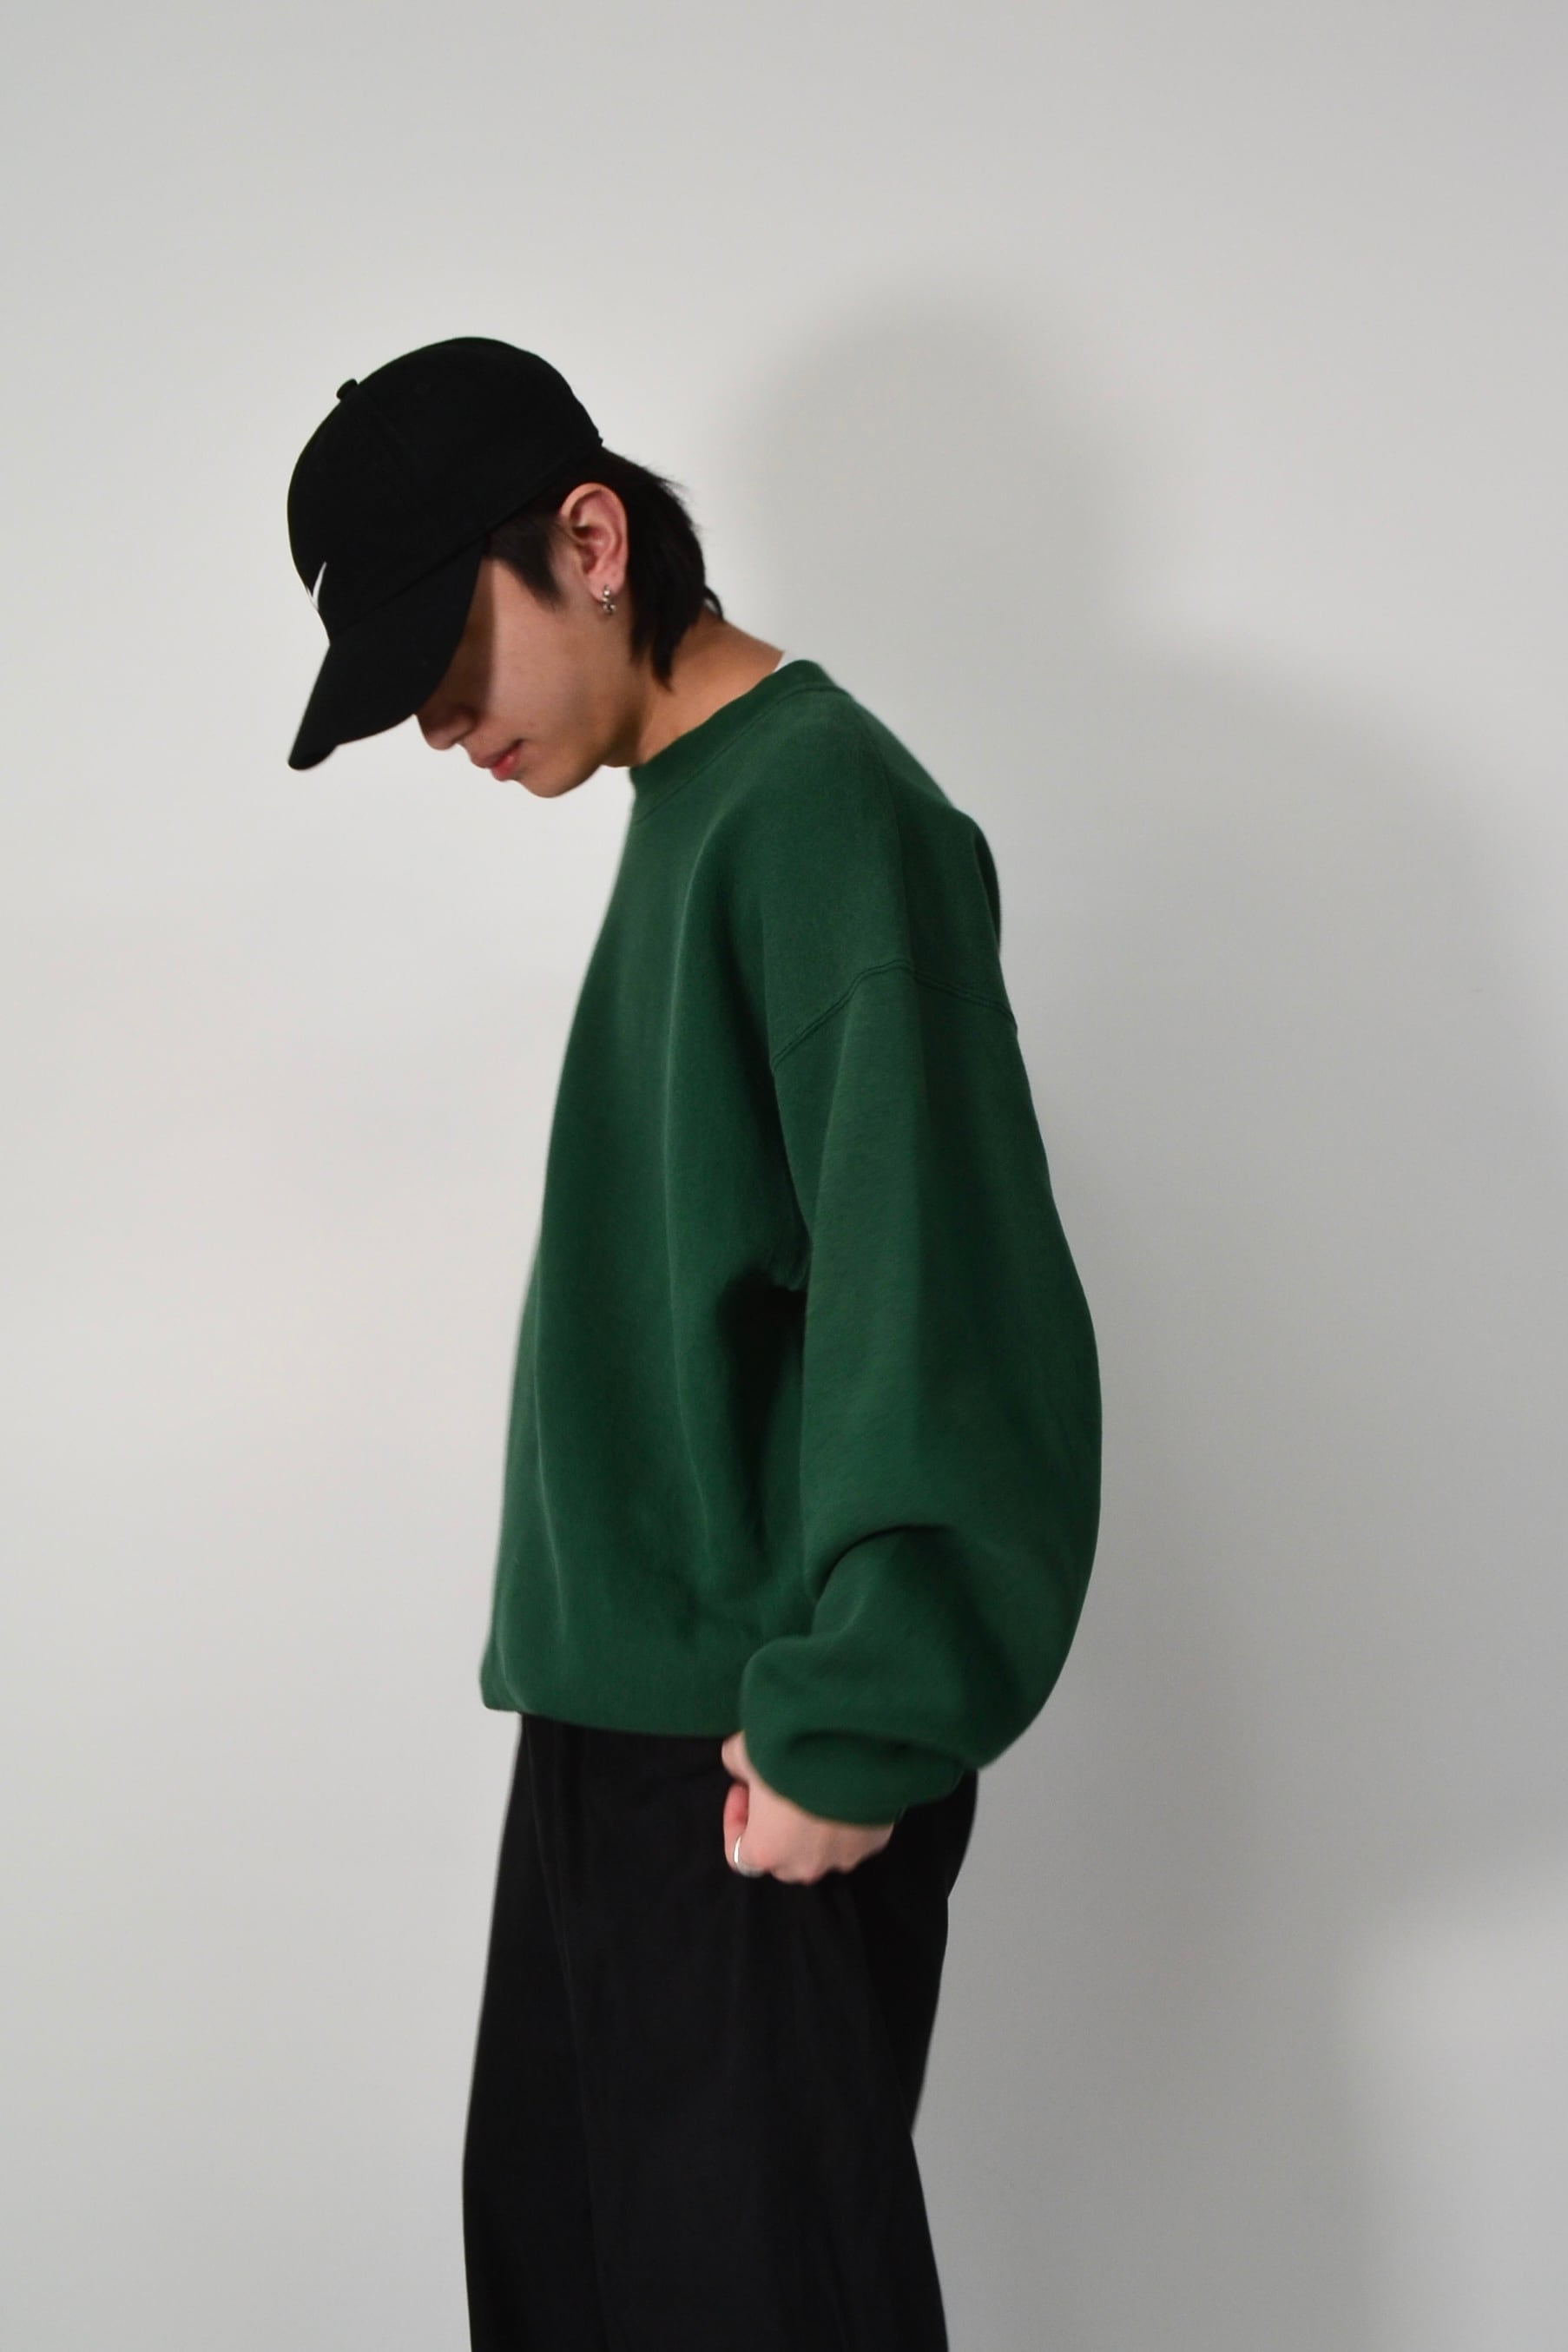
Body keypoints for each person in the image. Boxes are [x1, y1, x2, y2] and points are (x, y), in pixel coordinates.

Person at [284, 334, 1103, 2351]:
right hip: (615, 1728)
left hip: (751, 1744)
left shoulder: (824, 813)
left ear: (592, 541)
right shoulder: (694, 806)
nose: (437, 724)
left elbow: (945, 1289)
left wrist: (867, 1707)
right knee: (572, 2287)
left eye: (442, 653)